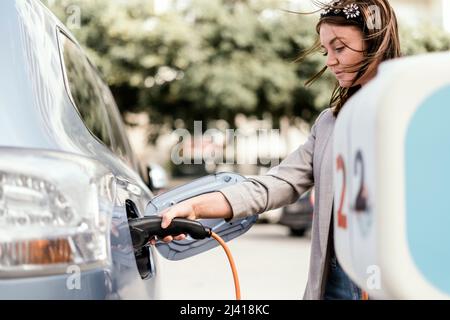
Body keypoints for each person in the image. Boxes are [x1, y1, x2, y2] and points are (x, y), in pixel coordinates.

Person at [152, 0, 402, 300]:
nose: (331, 61)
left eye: (340, 48)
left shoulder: (416, 115)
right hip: (336, 286)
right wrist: (196, 207)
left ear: (375, 40)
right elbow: (275, 184)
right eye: (326, 51)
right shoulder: (328, 124)